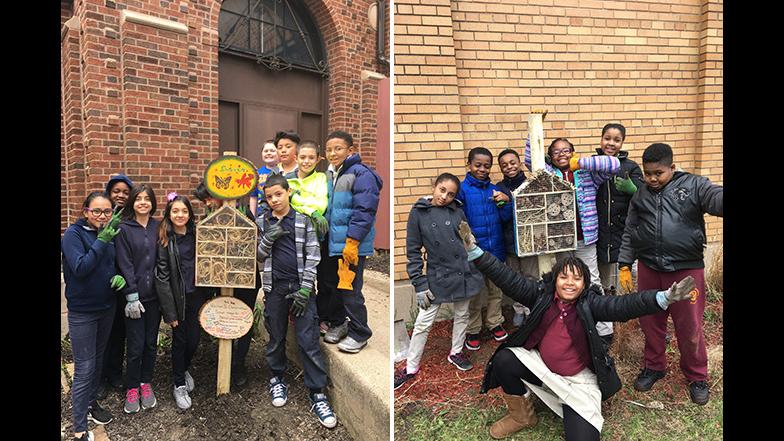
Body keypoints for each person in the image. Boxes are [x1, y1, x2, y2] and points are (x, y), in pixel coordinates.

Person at [457, 221, 696, 440]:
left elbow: (624, 306)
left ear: (584, 285)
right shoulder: (541, 296)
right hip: (544, 369)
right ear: (555, 280)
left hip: (579, 381)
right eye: (564, 277)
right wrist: (476, 253)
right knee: (505, 359)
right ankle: (522, 416)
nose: (569, 283)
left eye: (577, 279)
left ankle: (573, 406)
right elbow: (507, 278)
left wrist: (663, 298)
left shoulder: (590, 304)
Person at [618, 143, 723, 405]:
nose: (652, 179)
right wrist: (624, 264)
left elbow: (715, 198)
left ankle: (697, 375)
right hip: (649, 268)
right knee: (651, 323)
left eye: (658, 173)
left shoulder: (694, 186)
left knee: (689, 327)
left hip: (686, 270)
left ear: (672, 168)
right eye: (648, 173)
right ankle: (654, 366)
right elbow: (631, 230)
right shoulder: (640, 193)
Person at [256, 174, 337, 428]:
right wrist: (268, 238)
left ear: (288, 192)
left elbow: (313, 256)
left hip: (300, 288)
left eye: (278, 194)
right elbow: (257, 255)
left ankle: (318, 393)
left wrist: (305, 290)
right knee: (276, 335)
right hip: (275, 288)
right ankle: (277, 379)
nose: (274, 200)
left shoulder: (302, 220)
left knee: (308, 340)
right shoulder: (262, 221)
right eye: (269, 197)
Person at [524, 137, 620, 346]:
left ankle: (604, 331)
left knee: (592, 280)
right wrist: (535, 127)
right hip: (561, 240)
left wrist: (580, 162)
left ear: (573, 152)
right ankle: (570, 325)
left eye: (566, 150)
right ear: (550, 156)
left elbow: (614, 164)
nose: (562, 154)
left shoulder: (586, 174)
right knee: (564, 283)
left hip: (585, 237)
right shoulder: (548, 174)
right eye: (556, 152)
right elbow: (530, 159)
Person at [394, 173, 484, 389]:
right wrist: (419, 283)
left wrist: (472, 242)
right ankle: (411, 366)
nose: (445, 197)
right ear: (434, 186)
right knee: (423, 323)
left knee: (462, 314)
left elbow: (466, 239)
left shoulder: (457, 211)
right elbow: (413, 251)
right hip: (437, 276)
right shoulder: (418, 213)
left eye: (451, 194)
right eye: (442, 190)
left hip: (463, 271)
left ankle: (456, 352)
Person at [62, 191, 125, 440]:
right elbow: (80, 268)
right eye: (97, 211)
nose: (102, 216)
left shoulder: (108, 235)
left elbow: (108, 265)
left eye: (107, 211)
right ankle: (79, 427)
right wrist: (102, 240)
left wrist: (117, 276)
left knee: (98, 361)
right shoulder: (73, 235)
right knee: (85, 368)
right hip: (83, 312)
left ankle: (90, 406)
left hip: (106, 307)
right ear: (85, 211)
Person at [192, 181, 261, 387]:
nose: (208, 203)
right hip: (217, 278)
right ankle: (224, 359)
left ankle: (239, 364)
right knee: (223, 316)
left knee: (243, 319)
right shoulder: (208, 218)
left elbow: (254, 240)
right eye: (204, 201)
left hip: (244, 278)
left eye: (209, 198)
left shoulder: (244, 213)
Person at [319, 131, 382, 353]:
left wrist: (352, 242)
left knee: (351, 290)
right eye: (329, 149)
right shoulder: (332, 173)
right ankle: (339, 323)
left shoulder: (361, 174)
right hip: (333, 242)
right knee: (334, 286)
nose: (332, 153)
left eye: (338, 148)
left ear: (350, 150)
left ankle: (360, 333)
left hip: (350, 244)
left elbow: (364, 211)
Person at [457, 147, 513, 351]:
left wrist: (505, 203)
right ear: (469, 165)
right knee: (476, 292)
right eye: (477, 165)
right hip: (473, 252)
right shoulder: (462, 190)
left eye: (486, 166)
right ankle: (473, 329)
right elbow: (458, 220)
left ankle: (495, 322)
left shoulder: (494, 190)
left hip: (496, 249)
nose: (482, 169)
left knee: (495, 291)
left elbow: (505, 218)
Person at [154, 193, 207, 410]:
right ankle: (178, 384)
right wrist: (170, 312)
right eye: (175, 211)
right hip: (178, 299)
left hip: (197, 296)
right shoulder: (165, 239)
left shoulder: (198, 234)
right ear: (168, 213)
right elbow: (162, 277)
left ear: (190, 214)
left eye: (184, 211)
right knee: (180, 340)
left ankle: (184, 369)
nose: (180, 214)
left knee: (194, 340)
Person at [115, 184, 161, 414]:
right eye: (138, 198)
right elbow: (124, 262)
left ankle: (145, 382)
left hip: (155, 298)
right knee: (135, 346)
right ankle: (132, 386)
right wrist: (131, 295)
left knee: (151, 343)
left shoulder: (158, 226)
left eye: (147, 199)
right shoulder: (124, 229)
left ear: (153, 203)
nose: (143, 202)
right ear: (132, 202)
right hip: (135, 299)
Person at [593, 124, 643, 294]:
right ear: (601, 139)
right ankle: (606, 307)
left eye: (617, 140)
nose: (611, 143)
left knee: (628, 273)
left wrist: (633, 189)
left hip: (623, 229)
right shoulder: (594, 164)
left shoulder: (630, 167)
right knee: (603, 275)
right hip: (600, 230)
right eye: (607, 138)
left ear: (622, 143)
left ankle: (629, 308)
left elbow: (644, 196)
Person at [99, 173, 135, 398]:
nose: (121, 195)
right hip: (103, 284)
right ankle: (99, 378)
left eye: (125, 192)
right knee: (103, 334)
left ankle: (114, 373)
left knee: (119, 332)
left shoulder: (129, 218)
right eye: (116, 191)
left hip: (124, 286)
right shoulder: (101, 215)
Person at [495, 148, 539, 327]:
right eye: (504, 165)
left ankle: (532, 309)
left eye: (512, 162)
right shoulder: (498, 188)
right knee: (515, 278)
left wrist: (510, 199)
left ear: (519, 163)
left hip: (530, 240)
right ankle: (518, 309)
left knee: (531, 276)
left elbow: (534, 210)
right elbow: (502, 216)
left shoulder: (531, 183)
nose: (509, 167)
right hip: (509, 241)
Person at [288, 140, 329, 240]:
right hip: (290, 233)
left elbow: (320, 206)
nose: (306, 161)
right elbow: (287, 208)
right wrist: (311, 211)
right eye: (302, 157)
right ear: (295, 158)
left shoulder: (321, 178)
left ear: (318, 159)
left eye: (311, 158)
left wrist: (294, 197)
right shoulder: (287, 180)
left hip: (313, 236)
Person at [250, 140, 279, 218]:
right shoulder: (257, 174)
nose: (268, 153)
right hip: (262, 215)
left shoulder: (282, 171)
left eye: (272, 151)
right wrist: (253, 217)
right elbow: (253, 197)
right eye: (266, 151)